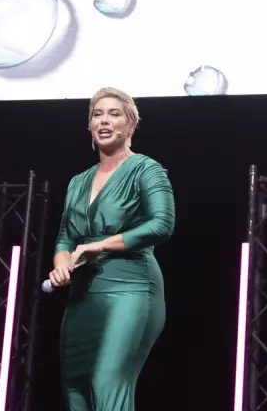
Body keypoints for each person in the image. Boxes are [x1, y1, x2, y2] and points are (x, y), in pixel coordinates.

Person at [47, 87, 175, 411]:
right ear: (90, 125)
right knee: (75, 386)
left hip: (130, 289)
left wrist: (101, 245)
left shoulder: (145, 169)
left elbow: (162, 224)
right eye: (97, 114)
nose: (104, 120)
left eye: (114, 114)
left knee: (107, 381)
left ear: (130, 125)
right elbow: (65, 237)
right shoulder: (78, 181)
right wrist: (61, 263)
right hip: (82, 298)